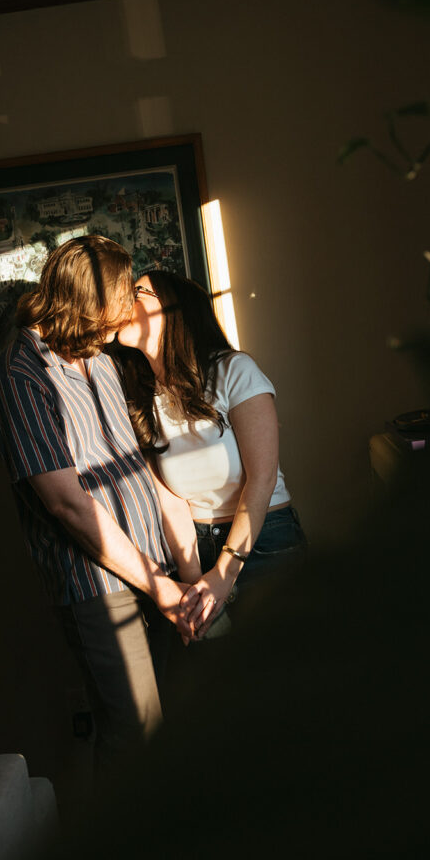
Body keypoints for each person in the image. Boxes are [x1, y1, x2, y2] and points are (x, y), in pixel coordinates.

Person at [0, 236, 193, 775]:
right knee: (137, 739)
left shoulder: (98, 358)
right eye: (115, 305)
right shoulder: (20, 373)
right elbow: (67, 505)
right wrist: (159, 584)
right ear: (84, 303)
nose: (121, 319)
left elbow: (133, 461)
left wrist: (178, 566)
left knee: (175, 730)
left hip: (156, 571)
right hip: (98, 588)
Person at [114, 269, 306, 640]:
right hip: (198, 548)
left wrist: (223, 575)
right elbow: (171, 500)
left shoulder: (234, 371)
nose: (125, 300)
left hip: (265, 541)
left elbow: (262, 480)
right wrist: (193, 589)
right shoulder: (140, 396)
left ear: (173, 311)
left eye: (138, 291)